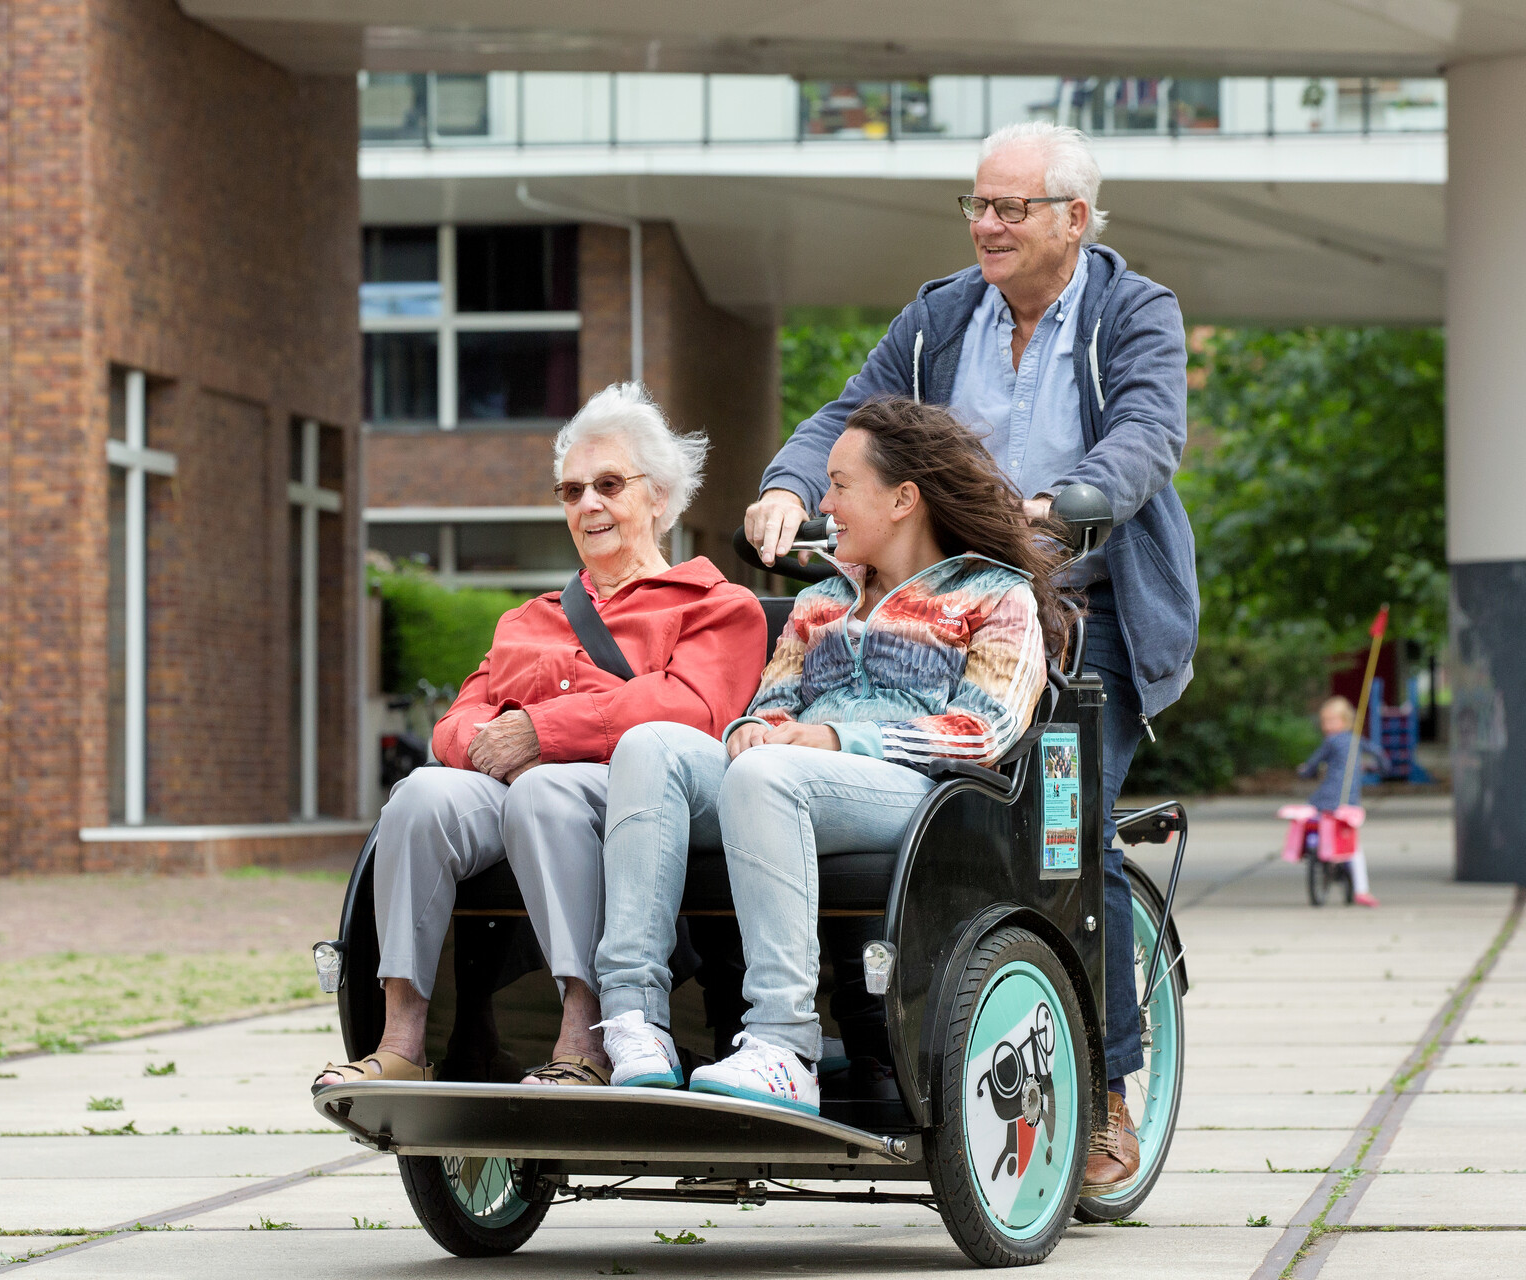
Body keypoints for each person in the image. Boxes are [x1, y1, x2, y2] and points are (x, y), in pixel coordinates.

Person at [741, 120, 1198, 1186]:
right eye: (978, 204)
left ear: (1073, 219)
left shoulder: (1136, 311)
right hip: (947, 609)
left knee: (1070, 838)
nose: (986, 224)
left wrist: (1069, 502)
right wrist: (790, 483)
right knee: (937, 813)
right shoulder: (941, 313)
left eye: (1009, 207)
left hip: (1088, 609)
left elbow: (1146, 436)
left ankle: (1108, 1093)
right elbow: (851, 413)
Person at [594, 397, 1066, 1114]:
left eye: (840, 485)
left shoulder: (995, 595)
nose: (824, 504)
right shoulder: (819, 601)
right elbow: (773, 700)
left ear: (903, 499)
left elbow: (987, 729)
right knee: (650, 746)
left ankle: (785, 1044)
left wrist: (840, 740)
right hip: (790, 779)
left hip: (924, 797)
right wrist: (754, 728)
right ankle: (635, 1023)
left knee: (767, 774)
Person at [314, 383, 767, 1092]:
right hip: (518, 787)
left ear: (659, 496)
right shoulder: (529, 619)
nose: (588, 505)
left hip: (640, 798)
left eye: (609, 485)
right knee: (421, 794)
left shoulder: (718, 606)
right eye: (572, 491)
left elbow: (692, 710)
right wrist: (498, 746)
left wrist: (542, 732)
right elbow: (456, 721)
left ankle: (587, 1036)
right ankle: (401, 1038)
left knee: (545, 790)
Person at [1297, 696, 1387, 907]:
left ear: (1345, 721)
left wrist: (1305, 771)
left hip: (1325, 799)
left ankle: (1316, 853)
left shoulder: (1331, 742)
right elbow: (1380, 756)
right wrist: (1381, 769)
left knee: (1314, 819)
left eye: (1331, 721)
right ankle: (1362, 890)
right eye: (1324, 721)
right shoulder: (1357, 740)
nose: (1327, 726)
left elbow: (1313, 763)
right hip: (1349, 801)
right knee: (1353, 847)